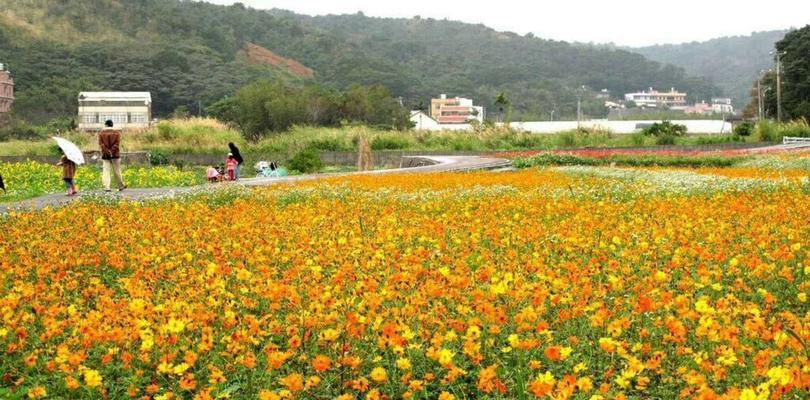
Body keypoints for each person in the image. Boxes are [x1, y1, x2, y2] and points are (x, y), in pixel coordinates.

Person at [98, 120, 127, 192]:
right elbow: (117, 144)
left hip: (105, 155)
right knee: (117, 171)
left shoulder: (101, 133)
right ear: (112, 125)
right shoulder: (117, 133)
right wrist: (111, 151)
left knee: (106, 171)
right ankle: (121, 185)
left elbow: (101, 144)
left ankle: (107, 187)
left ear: (106, 125)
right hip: (115, 155)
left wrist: (107, 152)